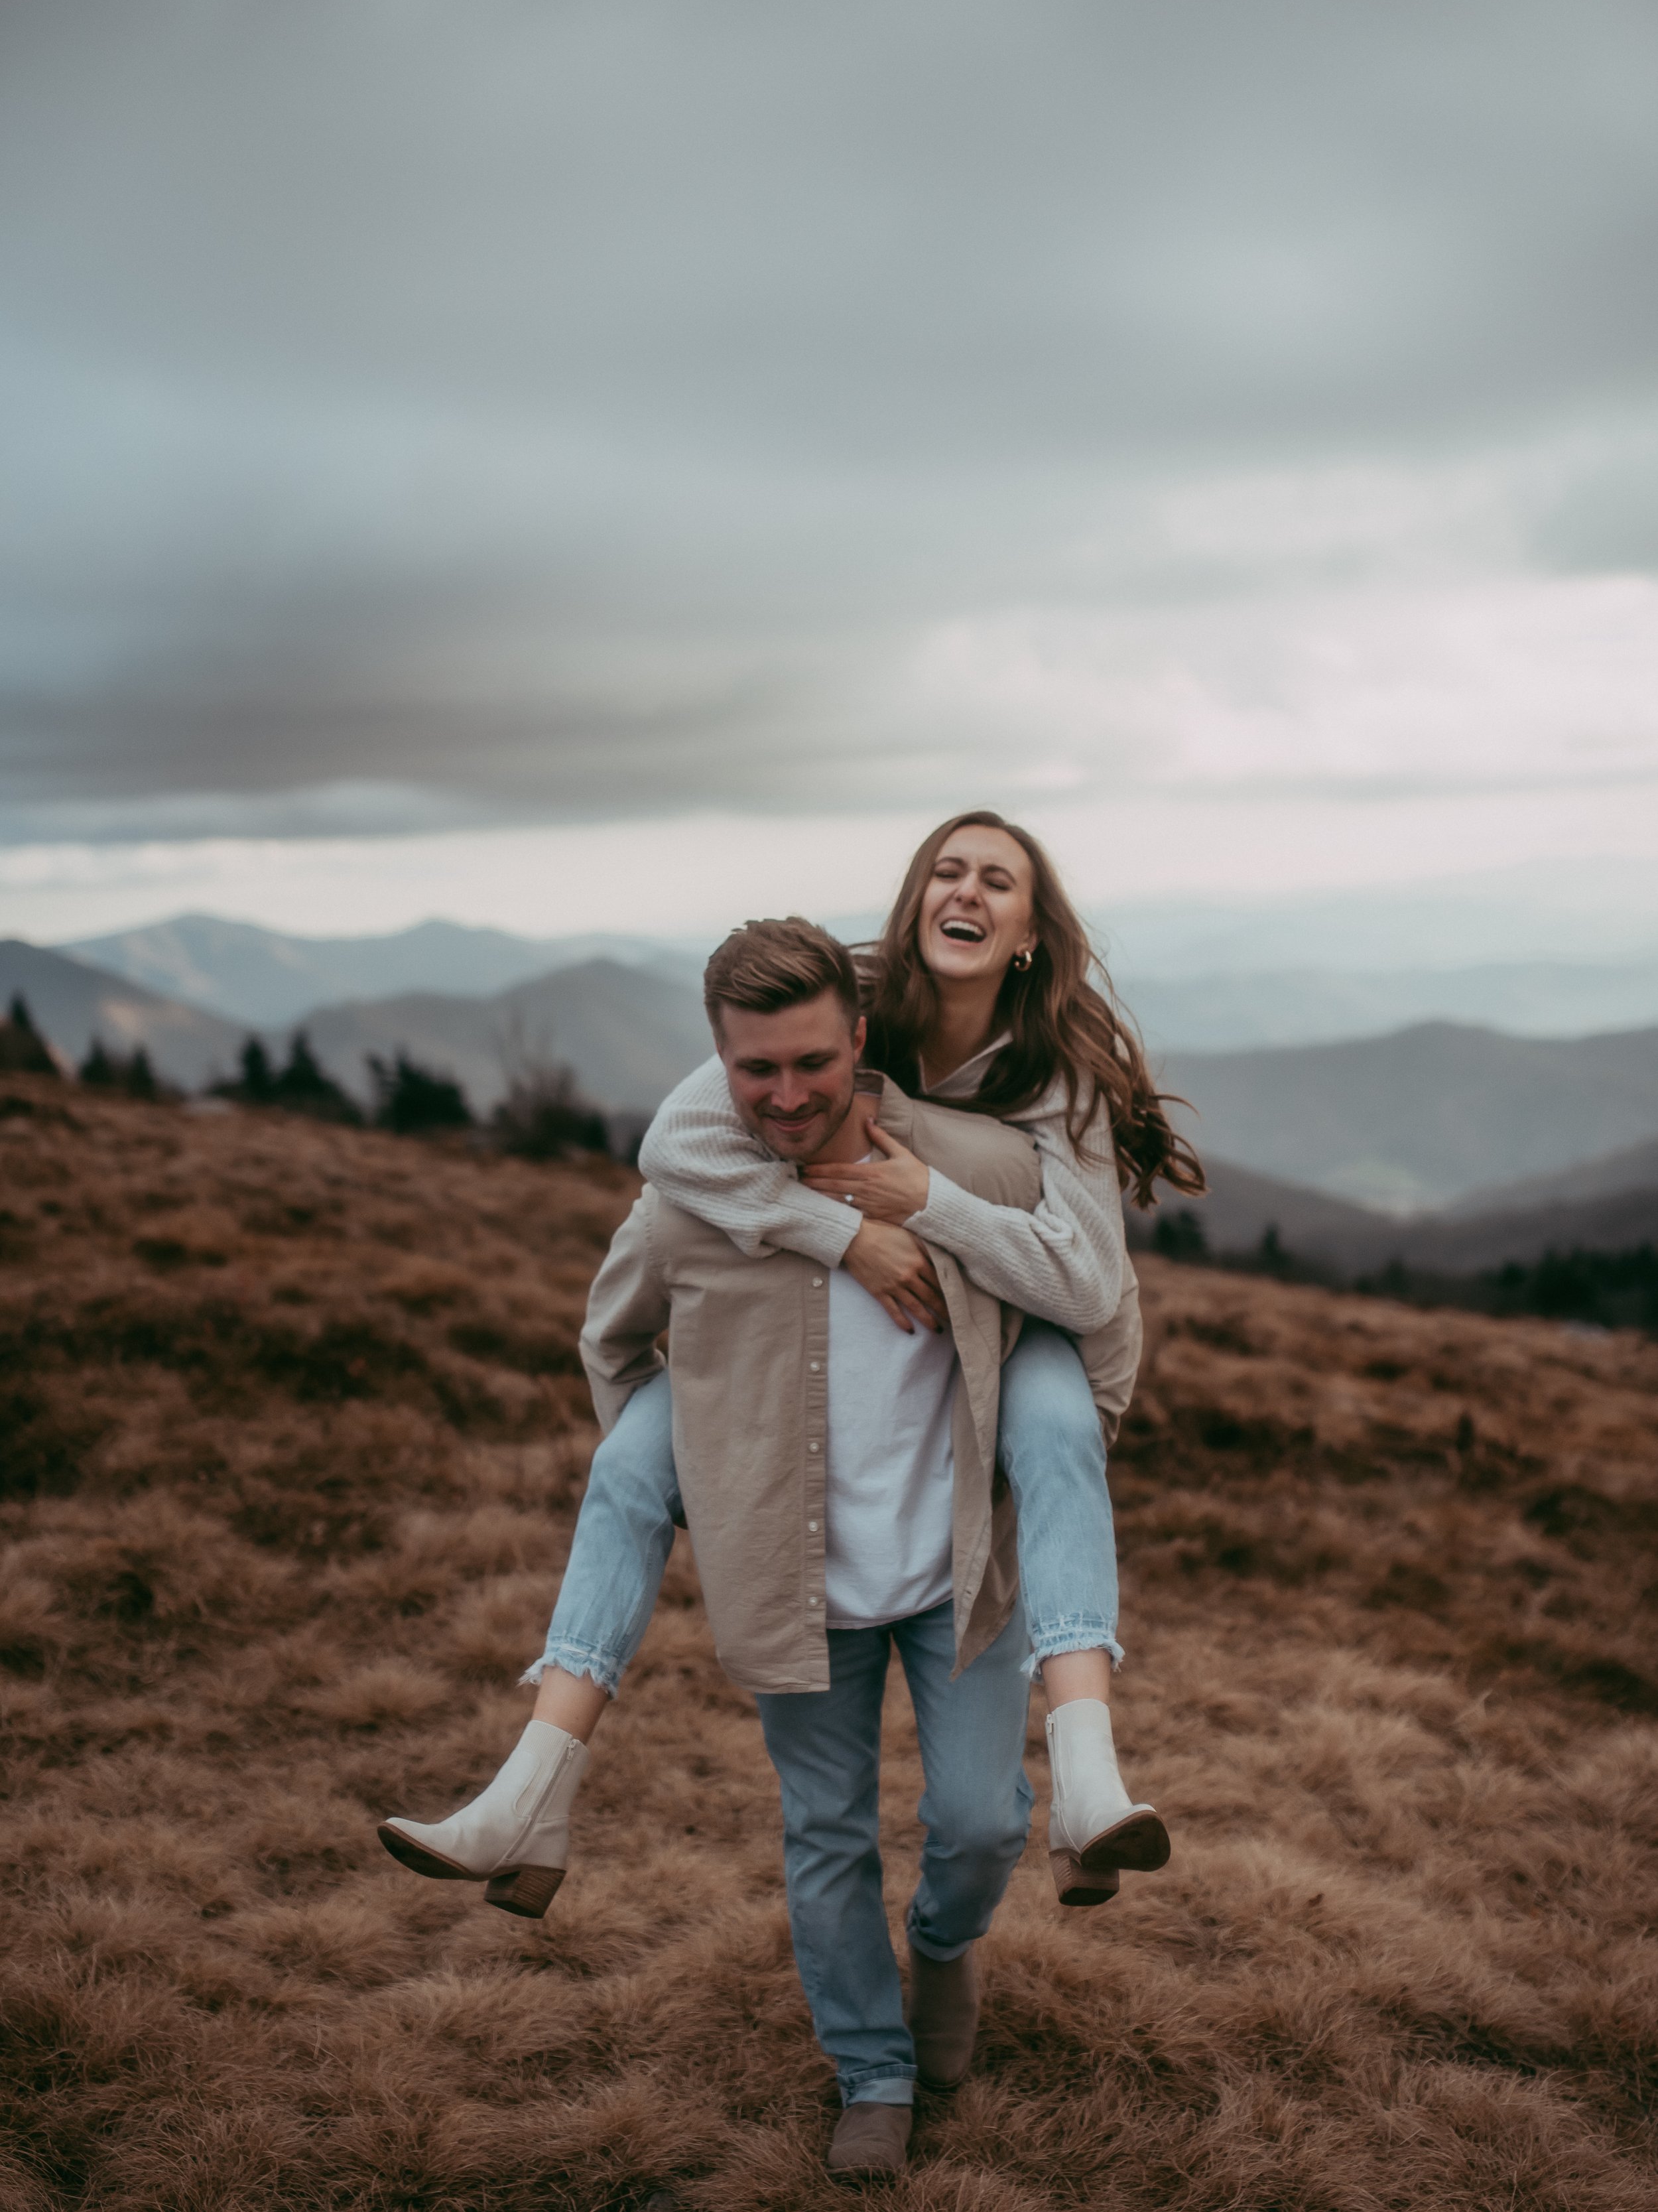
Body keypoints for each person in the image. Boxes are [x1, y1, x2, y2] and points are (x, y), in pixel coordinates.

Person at [385, 921, 1159, 2172]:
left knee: (977, 1824)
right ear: (717, 1064)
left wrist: (1073, 1435)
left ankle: (948, 1952)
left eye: (811, 1061)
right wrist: (699, 1476)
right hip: (798, 1592)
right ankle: (872, 2069)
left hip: (957, 1578)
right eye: (756, 1071)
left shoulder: (969, 1167)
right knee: (826, 1833)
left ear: (862, 1038)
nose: (786, 1095)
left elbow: (1088, 1302)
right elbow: (613, 1344)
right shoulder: (689, 1202)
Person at [379, 812, 1202, 1909]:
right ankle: (531, 1790)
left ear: (1029, 933)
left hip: (1025, 1326)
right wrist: (845, 1236)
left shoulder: (1064, 1071)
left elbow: (1092, 1283)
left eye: (996, 879)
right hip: (842, 1333)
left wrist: (928, 1202)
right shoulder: (847, 998)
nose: (966, 889)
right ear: (914, 905)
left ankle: (1090, 1779)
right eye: (945, 870)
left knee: (1051, 1432)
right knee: (629, 1461)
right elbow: (674, 1143)